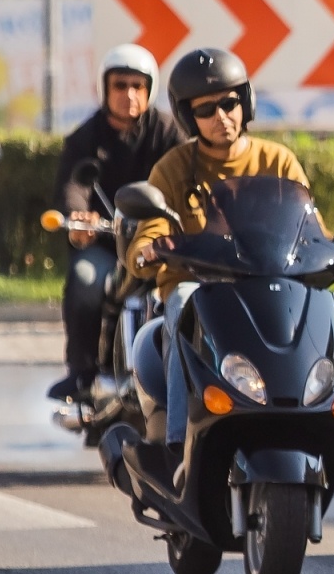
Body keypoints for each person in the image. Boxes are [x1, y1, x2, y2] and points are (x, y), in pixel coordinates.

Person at [122, 48, 314, 481]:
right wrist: (149, 250)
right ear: (189, 118)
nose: (221, 116)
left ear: (245, 102)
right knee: (186, 304)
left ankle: (313, 418)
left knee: (310, 305)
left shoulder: (278, 160)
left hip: (267, 284)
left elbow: (309, 223)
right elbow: (150, 229)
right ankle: (179, 451)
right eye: (206, 109)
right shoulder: (173, 168)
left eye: (229, 103)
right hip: (199, 286)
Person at [47, 44, 187, 401]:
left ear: (150, 89)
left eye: (138, 86)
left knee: (194, 291)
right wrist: (79, 218)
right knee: (84, 280)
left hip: (161, 243)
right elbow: (73, 187)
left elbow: (190, 180)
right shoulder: (84, 138)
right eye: (120, 85)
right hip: (107, 243)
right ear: (104, 88)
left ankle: (195, 372)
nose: (129, 94)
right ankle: (81, 373)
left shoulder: (169, 133)